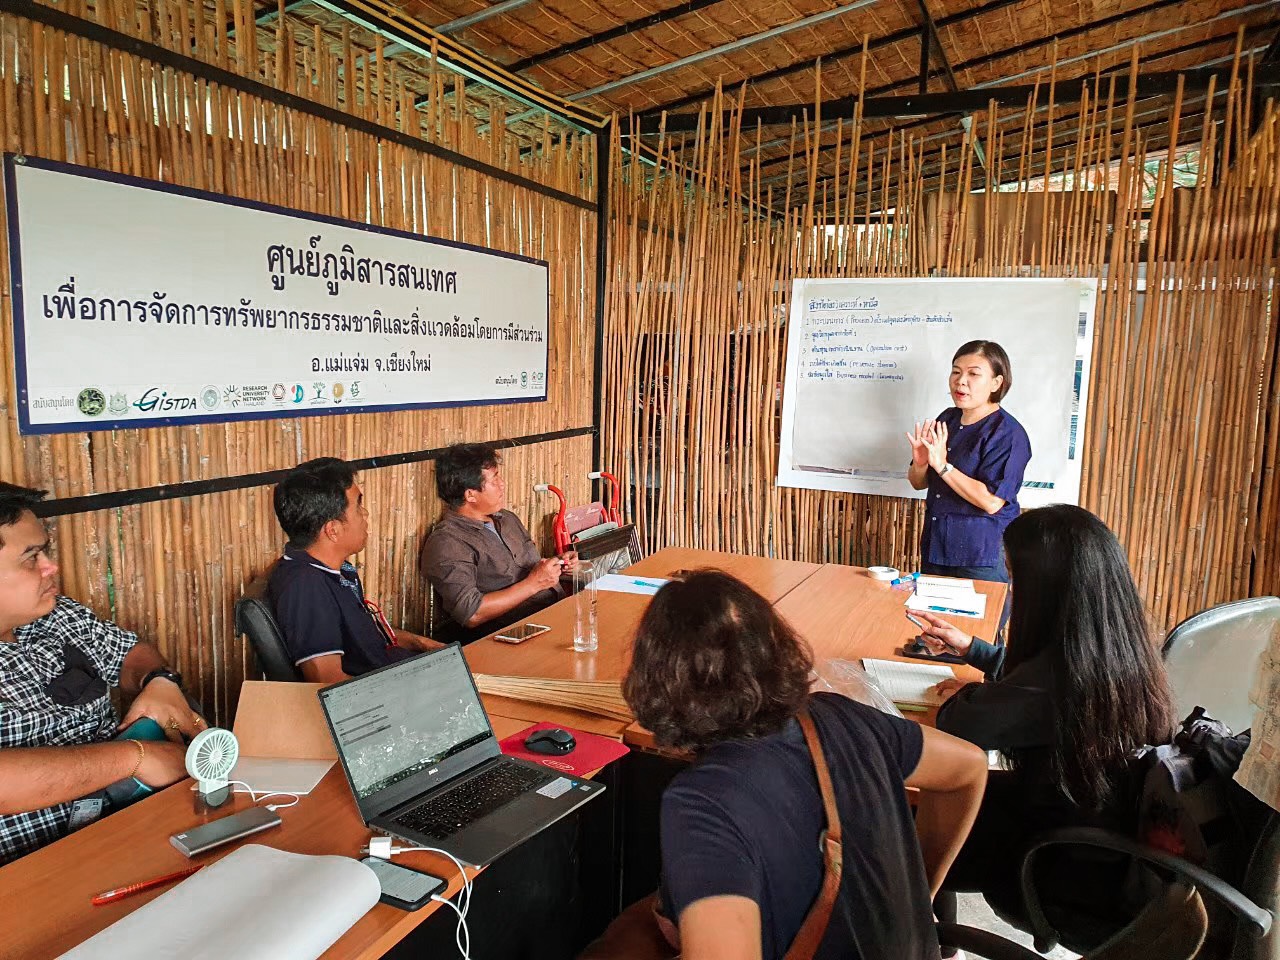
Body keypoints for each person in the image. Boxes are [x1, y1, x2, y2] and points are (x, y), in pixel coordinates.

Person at [621, 570, 988, 960]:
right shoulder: (841, 716)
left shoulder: (701, 801)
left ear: (654, 683)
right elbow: (969, 768)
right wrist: (918, 892)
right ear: (776, 646)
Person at [919, 504, 1175, 918]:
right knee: (943, 800)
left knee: (901, 830)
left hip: (1054, 867)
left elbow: (958, 722)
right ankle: (943, 940)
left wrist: (967, 691)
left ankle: (920, 933)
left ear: (1047, 592)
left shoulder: (1053, 682)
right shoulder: (1118, 653)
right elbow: (1037, 688)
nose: (1012, 591)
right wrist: (975, 651)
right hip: (1093, 843)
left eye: (1015, 580)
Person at [0, 482, 195, 864]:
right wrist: (134, 758)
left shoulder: (56, 617)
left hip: (127, 830)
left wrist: (157, 680)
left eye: (46, 551)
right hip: (32, 871)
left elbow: (131, 653)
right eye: (31, 557)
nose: (49, 566)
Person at [269, 458, 440, 683]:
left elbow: (364, 639)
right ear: (333, 530)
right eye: (358, 505)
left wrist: (426, 645)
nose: (366, 513)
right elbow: (329, 683)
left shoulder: (335, 571)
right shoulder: (305, 587)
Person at [421, 443, 577, 643]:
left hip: (556, 615)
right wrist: (534, 583)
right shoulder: (448, 542)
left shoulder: (506, 519)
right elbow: (472, 613)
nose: (502, 484)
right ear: (470, 495)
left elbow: (530, 568)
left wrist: (558, 565)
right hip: (512, 638)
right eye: (494, 479)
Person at [906, 340, 1031, 584]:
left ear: (997, 382)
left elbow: (992, 501)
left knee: (977, 622)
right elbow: (918, 483)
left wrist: (942, 466)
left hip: (980, 554)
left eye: (974, 374)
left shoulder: (1008, 434)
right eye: (956, 372)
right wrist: (921, 464)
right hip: (936, 546)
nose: (961, 381)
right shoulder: (947, 419)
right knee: (934, 620)